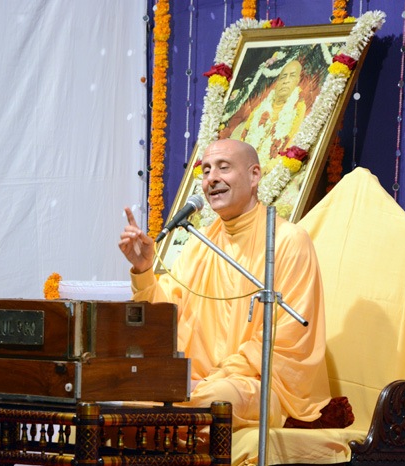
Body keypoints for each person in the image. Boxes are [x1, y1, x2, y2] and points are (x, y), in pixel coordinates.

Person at [118, 138, 331, 430]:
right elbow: (166, 316)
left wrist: (210, 380)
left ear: (254, 175)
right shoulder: (200, 243)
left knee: (218, 399)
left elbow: (287, 336)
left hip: (257, 384)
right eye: (206, 171)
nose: (212, 179)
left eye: (223, 168)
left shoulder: (287, 241)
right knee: (132, 394)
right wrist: (143, 270)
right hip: (195, 380)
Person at [223, 60, 306, 177]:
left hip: (271, 173)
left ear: (297, 81)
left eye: (291, 76)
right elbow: (244, 137)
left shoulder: (298, 107)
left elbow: (291, 146)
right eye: (283, 77)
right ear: (277, 82)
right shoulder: (261, 106)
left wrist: (268, 168)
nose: (286, 81)